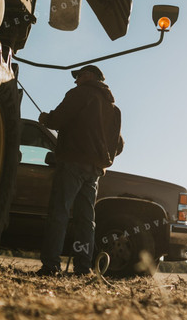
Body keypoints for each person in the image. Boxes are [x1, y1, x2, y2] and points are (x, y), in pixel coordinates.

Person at [36, 65, 123, 276]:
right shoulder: (113, 109)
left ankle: (51, 266)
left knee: (59, 213)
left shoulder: (79, 94)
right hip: (95, 170)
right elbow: (118, 145)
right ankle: (83, 268)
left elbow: (58, 119)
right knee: (86, 221)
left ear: (90, 76)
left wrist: (45, 119)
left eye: (79, 76)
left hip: (72, 163)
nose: (75, 81)